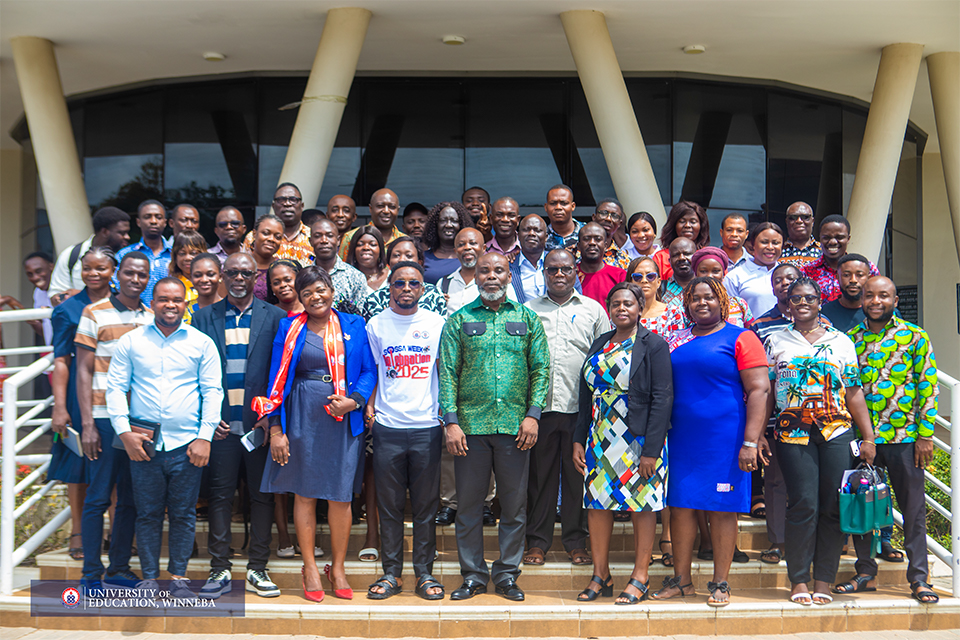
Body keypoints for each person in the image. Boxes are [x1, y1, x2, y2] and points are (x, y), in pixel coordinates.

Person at [258, 266, 376, 602]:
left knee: (340, 496)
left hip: (342, 415)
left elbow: (368, 371)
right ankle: (310, 566)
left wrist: (354, 401)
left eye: (320, 289)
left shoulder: (354, 325)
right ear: (300, 297)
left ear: (331, 290)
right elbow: (275, 381)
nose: (315, 297)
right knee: (305, 493)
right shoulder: (289, 327)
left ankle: (337, 567)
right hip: (302, 414)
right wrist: (277, 428)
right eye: (307, 292)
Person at [439, 252, 550, 602]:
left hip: (516, 429)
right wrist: (451, 422)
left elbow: (541, 370)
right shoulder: (459, 320)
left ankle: (506, 575)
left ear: (507, 276)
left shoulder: (528, 318)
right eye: (484, 270)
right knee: (469, 507)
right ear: (476, 275)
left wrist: (533, 415)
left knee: (514, 508)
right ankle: (472, 575)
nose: (491, 276)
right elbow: (446, 373)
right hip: (469, 429)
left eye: (498, 270)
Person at [653, 277, 769, 607]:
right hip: (681, 439)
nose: (702, 303)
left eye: (709, 298)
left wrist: (750, 442)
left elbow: (760, 389)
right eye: (694, 299)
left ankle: (720, 582)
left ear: (722, 302)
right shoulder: (675, 340)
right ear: (686, 305)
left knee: (722, 509)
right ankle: (682, 580)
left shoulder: (742, 337)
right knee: (681, 507)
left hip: (725, 440)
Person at [107, 277, 223, 597]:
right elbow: (115, 388)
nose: (170, 305)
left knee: (184, 514)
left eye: (176, 299)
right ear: (152, 303)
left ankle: (178, 578)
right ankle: (148, 578)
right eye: (163, 299)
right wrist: (124, 432)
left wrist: (205, 437)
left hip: (187, 445)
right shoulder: (132, 341)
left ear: (186, 304)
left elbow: (212, 391)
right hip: (144, 446)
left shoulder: (201, 343)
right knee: (148, 513)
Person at [764, 277, 876, 605]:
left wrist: (868, 436)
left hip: (837, 432)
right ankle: (799, 579)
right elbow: (768, 393)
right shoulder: (775, 341)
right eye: (795, 298)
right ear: (787, 303)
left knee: (831, 507)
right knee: (803, 504)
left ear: (819, 301)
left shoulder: (841, 342)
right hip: (791, 433)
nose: (802, 303)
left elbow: (853, 392)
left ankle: (823, 579)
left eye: (809, 298)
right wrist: (757, 435)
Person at [840, 276, 940, 604]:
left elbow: (927, 385)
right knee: (862, 506)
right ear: (862, 300)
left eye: (884, 295)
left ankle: (919, 578)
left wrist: (926, 436)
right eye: (870, 295)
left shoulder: (914, 337)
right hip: (863, 440)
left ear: (895, 301)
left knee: (913, 511)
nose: (876, 301)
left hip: (905, 438)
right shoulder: (850, 340)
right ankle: (865, 572)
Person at [193, 253, 287, 599]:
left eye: (245, 272)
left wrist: (271, 420)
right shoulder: (202, 317)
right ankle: (219, 567)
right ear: (222, 275)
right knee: (219, 498)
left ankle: (258, 568)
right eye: (231, 272)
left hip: (259, 428)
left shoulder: (275, 317)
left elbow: (281, 374)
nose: (238, 277)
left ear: (254, 276)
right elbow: (194, 374)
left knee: (262, 499)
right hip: (219, 428)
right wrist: (205, 419)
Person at [573, 282, 673, 603]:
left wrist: (651, 451)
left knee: (642, 505)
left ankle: (640, 577)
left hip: (638, 439)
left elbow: (663, 398)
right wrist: (579, 440)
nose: (621, 309)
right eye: (615, 304)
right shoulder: (600, 342)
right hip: (600, 439)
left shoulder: (653, 344)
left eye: (628, 304)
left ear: (640, 308)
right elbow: (585, 395)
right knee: (597, 505)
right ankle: (601, 575)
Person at [364, 262, 446, 600]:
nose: (407, 288)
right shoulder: (376, 324)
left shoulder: (437, 323)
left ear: (423, 289)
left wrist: (447, 413)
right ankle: (391, 573)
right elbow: (371, 369)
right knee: (390, 506)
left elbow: (446, 369)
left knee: (426, 507)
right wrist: (369, 406)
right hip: (388, 426)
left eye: (414, 283)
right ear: (390, 288)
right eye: (400, 283)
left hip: (427, 426)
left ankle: (425, 574)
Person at [524, 249, 607, 568]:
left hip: (579, 408)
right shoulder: (528, 310)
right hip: (539, 410)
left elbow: (603, 358)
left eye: (566, 269)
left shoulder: (593, 310)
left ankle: (575, 541)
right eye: (552, 270)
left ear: (576, 273)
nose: (559, 275)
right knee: (539, 477)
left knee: (577, 478)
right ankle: (538, 542)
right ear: (544, 273)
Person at [74, 251, 153, 589]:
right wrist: (88, 423)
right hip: (105, 419)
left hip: (139, 422)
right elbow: (82, 369)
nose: (136, 279)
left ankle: (119, 567)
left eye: (143, 275)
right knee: (98, 497)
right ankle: (91, 572)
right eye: (131, 273)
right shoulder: (94, 313)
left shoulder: (152, 317)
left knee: (132, 498)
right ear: (118, 274)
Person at [49, 247, 115, 562]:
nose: (93, 274)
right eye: (87, 268)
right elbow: (61, 362)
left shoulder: (123, 303)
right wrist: (59, 406)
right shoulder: (67, 309)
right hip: (79, 396)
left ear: (112, 270)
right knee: (78, 467)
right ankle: (78, 531)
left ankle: (116, 533)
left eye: (100, 268)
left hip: (114, 393)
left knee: (114, 465)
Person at [749, 262, 803, 567]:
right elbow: (761, 380)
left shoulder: (823, 324)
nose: (785, 284)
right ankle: (777, 542)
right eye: (778, 280)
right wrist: (759, 431)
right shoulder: (760, 326)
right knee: (775, 483)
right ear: (772, 288)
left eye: (790, 279)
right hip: (776, 420)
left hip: (816, 421)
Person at [50, 206, 131, 303]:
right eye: (122, 233)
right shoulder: (71, 255)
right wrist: (66, 297)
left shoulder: (128, 258)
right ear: (105, 232)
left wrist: (81, 295)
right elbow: (55, 296)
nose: (127, 237)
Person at [360, 237, 446, 320]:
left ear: (419, 262)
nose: (402, 259)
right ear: (388, 262)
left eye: (408, 255)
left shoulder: (434, 295)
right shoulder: (375, 299)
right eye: (396, 255)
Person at [801, 215, 879, 302]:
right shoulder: (807, 271)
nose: (833, 242)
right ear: (820, 238)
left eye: (839, 237)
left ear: (848, 239)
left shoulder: (868, 268)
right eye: (826, 237)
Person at [440, 227, 518, 315]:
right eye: (461, 245)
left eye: (473, 243)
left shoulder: (498, 282)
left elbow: (514, 313)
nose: (467, 247)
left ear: (484, 248)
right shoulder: (444, 283)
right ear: (455, 251)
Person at [115, 200, 171, 306]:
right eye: (147, 217)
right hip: (133, 317)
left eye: (158, 217)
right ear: (138, 222)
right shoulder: (124, 255)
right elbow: (116, 287)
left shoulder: (177, 255)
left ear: (165, 222)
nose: (153, 221)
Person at [724, 222, 785, 320]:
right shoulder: (735, 277)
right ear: (753, 245)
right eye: (764, 242)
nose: (770, 247)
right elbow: (731, 316)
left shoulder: (789, 275)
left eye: (775, 243)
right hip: (751, 334)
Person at [243, 183, 313, 264]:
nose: (287, 204)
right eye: (281, 200)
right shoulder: (254, 237)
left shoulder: (314, 236)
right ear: (273, 206)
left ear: (302, 206)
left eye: (293, 200)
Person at [309, 217, 368, 310]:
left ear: (338, 240)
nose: (324, 240)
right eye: (317, 236)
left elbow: (359, 315)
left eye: (329, 235)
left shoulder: (355, 277)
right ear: (310, 241)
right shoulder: (303, 276)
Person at [691, 247, 754, 328]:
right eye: (703, 271)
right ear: (696, 274)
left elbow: (749, 335)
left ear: (723, 274)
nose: (709, 276)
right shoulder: (689, 307)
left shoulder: (739, 304)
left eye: (716, 271)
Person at [628, 257, 686, 344]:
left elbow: (677, 347)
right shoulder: (623, 313)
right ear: (630, 282)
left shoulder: (672, 313)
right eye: (637, 277)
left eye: (650, 276)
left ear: (658, 282)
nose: (644, 280)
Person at [652, 201, 710, 281]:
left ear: (701, 226)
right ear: (674, 225)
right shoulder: (661, 257)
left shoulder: (709, 255)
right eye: (682, 221)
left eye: (693, 222)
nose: (687, 225)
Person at [339, 188, 404, 260]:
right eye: (380, 206)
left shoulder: (405, 241)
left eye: (392, 207)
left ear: (398, 210)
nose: (386, 211)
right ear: (370, 208)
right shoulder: (351, 237)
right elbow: (343, 269)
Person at [576, 222, 626, 311]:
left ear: (605, 246)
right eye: (587, 239)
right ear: (579, 246)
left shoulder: (619, 275)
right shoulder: (570, 275)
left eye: (598, 239)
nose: (592, 243)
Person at [421, 201, 473, 284]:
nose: (448, 225)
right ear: (435, 225)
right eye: (443, 220)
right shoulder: (423, 257)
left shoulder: (471, 257)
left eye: (454, 221)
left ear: (462, 224)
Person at [820, 253, 872, 331]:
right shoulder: (824, 313)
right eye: (846, 275)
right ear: (838, 277)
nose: (853, 280)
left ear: (869, 278)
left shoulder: (878, 310)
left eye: (859, 275)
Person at [168, 230, 207, 324]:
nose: (188, 258)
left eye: (193, 253)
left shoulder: (213, 283)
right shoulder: (171, 285)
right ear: (175, 257)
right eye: (182, 253)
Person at [509, 214, 548, 304]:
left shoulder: (559, 263)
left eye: (537, 230)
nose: (531, 233)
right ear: (518, 236)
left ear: (546, 237)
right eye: (526, 230)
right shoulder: (507, 266)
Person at [346, 225, 390, 294]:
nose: (366, 248)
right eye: (360, 244)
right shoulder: (347, 280)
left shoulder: (392, 277)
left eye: (372, 244)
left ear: (380, 250)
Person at [250, 214, 285, 301]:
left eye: (277, 237)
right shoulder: (239, 266)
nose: (271, 239)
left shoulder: (283, 269)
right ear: (254, 234)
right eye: (266, 233)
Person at [23, 251, 54, 344]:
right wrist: (34, 322)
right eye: (30, 274)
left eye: (39, 271)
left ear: (51, 267)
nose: (35, 277)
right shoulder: (38, 292)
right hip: (52, 349)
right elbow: (45, 330)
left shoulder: (66, 287)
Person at [778, 202, 821, 267]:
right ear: (787, 222)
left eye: (805, 217)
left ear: (812, 221)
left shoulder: (824, 251)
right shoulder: (778, 251)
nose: (799, 221)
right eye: (793, 217)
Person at [543, 185, 582, 252]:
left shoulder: (587, 233)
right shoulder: (541, 236)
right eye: (553, 203)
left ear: (573, 206)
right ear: (546, 207)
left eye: (564, 203)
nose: (558, 207)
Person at [661, 238, 696, 307]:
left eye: (687, 254)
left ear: (696, 257)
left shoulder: (705, 286)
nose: (681, 258)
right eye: (676, 255)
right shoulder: (661, 288)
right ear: (670, 261)